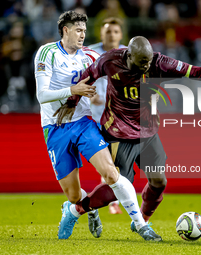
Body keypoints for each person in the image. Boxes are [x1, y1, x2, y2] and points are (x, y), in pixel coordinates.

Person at [55, 36, 201, 236]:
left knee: (159, 182)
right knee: (117, 187)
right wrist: (72, 101)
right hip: (118, 133)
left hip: (148, 133)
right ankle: (74, 210)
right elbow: (87, 75)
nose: (146, 67)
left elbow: (195, 71)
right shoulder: (110, 60)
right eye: (141, 63)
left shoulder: (160, 63)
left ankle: (143, 219)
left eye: (148, 62)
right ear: (129, 55)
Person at [34, 11, 162, 241]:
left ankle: (142, 226)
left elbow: (124, 74)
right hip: (54, 127)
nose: (83, 35)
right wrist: (74, 90)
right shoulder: (47, 52)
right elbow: (42, 95)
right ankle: (82, 209)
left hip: (84, 123)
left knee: (112, 174)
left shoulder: (91, 56)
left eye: (85, 30)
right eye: (78, 31)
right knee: (73, 195)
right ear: (65, 30)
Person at [88, 17, 126, 214]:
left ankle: (111, 201)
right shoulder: (90, 52)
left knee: (112, 161)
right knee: (107, 161)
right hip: (93, 118)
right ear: (101, 33)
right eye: (108, 31)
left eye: (115, 31)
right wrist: (88, 94)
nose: (111, 34)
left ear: (120, 35)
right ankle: (104, 200)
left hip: (118, 117)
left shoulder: (128, 54)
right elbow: (80, 76)